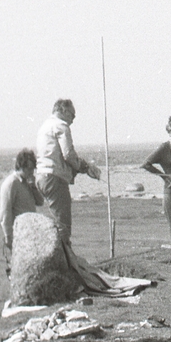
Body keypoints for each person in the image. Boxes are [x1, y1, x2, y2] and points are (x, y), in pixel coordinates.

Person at [34, 98, 101, 243]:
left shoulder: (44, 126)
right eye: (72, 115)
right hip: (55, 179)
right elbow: (68, 155)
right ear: (63, 111)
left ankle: (60, 251)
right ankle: (64, 255)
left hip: (41, 177)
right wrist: (85, 167)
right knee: (63, 226)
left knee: (57, 223)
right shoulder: (61, 126)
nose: (73, 120)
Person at [0, 148, 44, 270]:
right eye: (29, 168)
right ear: (21, 166)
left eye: (33, 169)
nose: (31, 172)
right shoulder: (11, 183)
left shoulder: (27, 182)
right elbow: (5, 211)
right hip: (18, 234)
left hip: (31, 232)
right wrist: (8, 236)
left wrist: (33, 187)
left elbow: (40, 202)